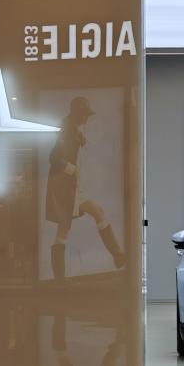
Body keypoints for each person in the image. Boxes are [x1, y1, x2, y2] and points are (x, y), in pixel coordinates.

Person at [46, 97, 125, 281]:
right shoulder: (66, 131)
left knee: (94, 214)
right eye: (85, 114)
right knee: (65, 229)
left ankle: (118, 256)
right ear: (78, 114)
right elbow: (54, 158)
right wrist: (71, 170)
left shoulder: (73, 130)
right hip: (68, 190)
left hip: (74, 188)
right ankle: (118, 256)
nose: (88, 118)